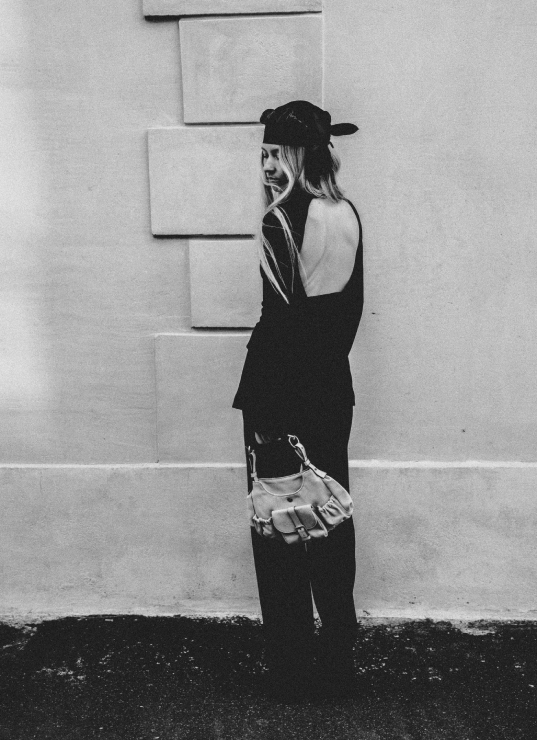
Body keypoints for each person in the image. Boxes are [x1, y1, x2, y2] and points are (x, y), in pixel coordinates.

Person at [232, 100, 364, 703]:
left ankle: (290, 669)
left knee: (280, 526)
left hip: (280, 396)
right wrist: (324, 375)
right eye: (262, 154)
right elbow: (348, 313)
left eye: (275, 154)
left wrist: (264, 417)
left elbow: (276, 324)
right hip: (332, 391)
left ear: (301, 155)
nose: (266, 166)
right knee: (330, 519)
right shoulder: (348, 214)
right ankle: (337, 660)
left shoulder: (280, 220)